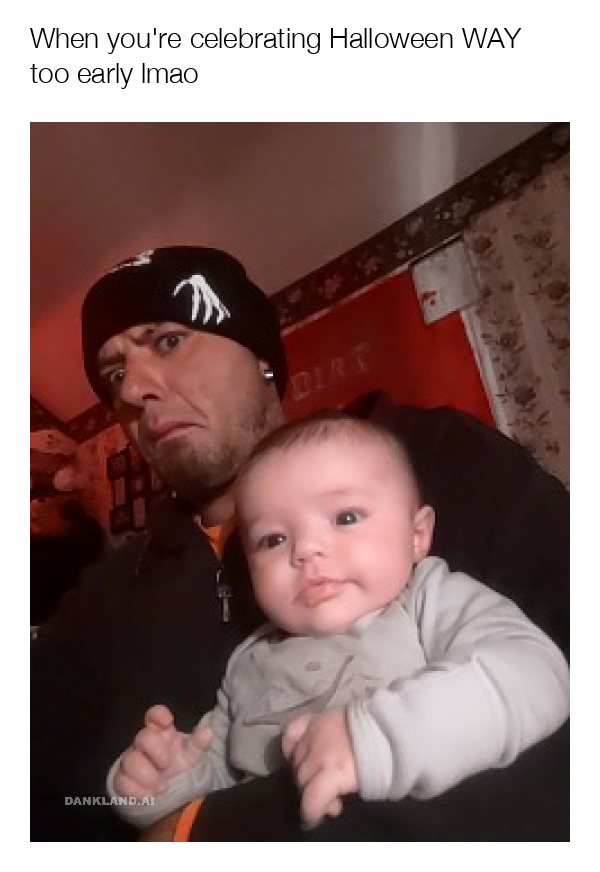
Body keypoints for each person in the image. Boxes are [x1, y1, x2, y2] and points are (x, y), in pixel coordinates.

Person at [30, 245, 570, 842]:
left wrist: (193, 834)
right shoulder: (108, 598)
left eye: (167, 341)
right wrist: (161, 789)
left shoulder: (436, 457)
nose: (132, 390)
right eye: (114, 375)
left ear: (260, 354)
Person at [106, 412, 569, 831]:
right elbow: (219, 784)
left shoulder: (427, 598)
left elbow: (537, 675)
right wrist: (167, 779)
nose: (305, 549)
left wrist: (373, 739)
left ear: (417, 535)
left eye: (345, 517)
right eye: (272, 539)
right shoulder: (248, 663)